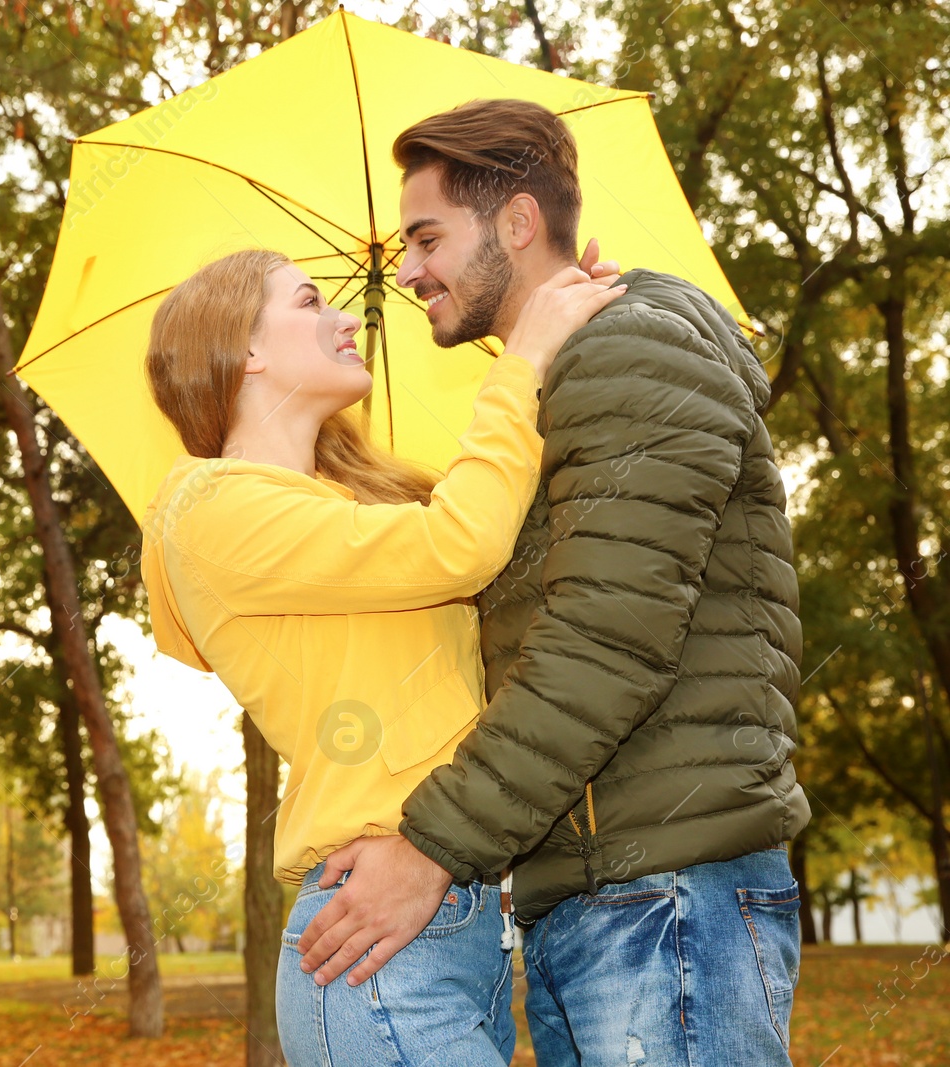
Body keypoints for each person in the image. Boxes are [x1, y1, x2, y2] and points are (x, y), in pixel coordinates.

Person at [293, 98, 809, 1067]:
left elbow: (604, 646)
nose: (406, 271)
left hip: (664, 895)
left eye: (427, 236)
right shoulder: (555, 381)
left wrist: (432, 849)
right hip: (602, 892)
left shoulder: (625, 351)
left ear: (518, 224)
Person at [139, 244, 624, 1064]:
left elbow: (492, 531)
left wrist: (546, 310)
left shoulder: (343, 512)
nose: (340, 317)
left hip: (451, 913)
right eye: (308, 301)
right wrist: (524, 353)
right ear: (246, 350)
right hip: (373, 942)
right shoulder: (210, 508)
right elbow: (460, 544)